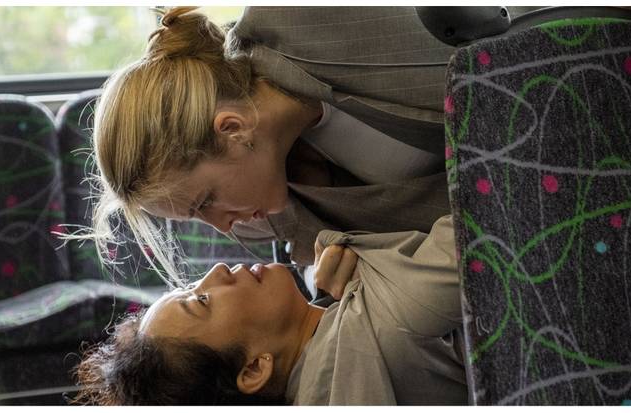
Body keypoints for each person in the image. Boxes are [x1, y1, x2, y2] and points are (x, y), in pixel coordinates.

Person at [84, 6, 459, 282]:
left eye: (205, 201)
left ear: (232, 129)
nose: (223, 227)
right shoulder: (263, 211)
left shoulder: (300, 17)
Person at [74, 215, 466, 405]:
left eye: (192, 286)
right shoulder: (387, 315)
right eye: (202, 301)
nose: (216, 271)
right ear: (253, 370)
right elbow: (486, 220)